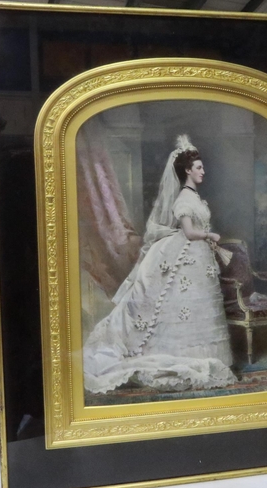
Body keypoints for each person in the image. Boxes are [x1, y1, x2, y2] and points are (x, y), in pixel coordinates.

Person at [83, 135, 236, 394]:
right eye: (198, 167)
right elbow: (189, 232)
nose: (203, 171)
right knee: (182, 305)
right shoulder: (184, 200)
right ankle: (180, 354)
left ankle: (209, 356)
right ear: (187, 171)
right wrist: (209, 235)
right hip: (188, 253)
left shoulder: (194, 197)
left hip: (199, 259)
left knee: (200, 306)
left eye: (202, 167)